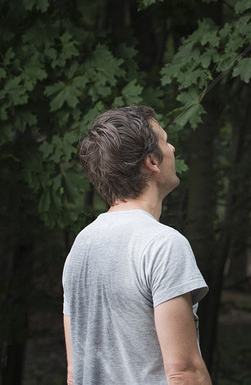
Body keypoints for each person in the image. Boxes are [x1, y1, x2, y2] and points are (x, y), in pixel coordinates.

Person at [62, 106, 212, 385]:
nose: (173, 148)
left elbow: (75, 372)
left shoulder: (81, 246)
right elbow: (183, 372)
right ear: (152, 161)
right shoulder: (163, 245)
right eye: (165, 141)